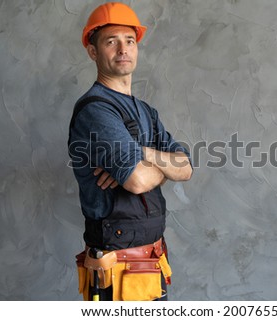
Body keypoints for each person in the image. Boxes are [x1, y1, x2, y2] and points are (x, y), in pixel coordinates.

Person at [68, 2, 192, 301]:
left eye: (130, 40)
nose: (123, 49)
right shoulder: (96, 110)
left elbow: (186, 168)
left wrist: (142, 153)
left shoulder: (147, 112)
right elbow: (136, 181)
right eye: (111, 42)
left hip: (150, 264)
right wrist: (161, 168)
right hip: (116, 272)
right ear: (93, 51)